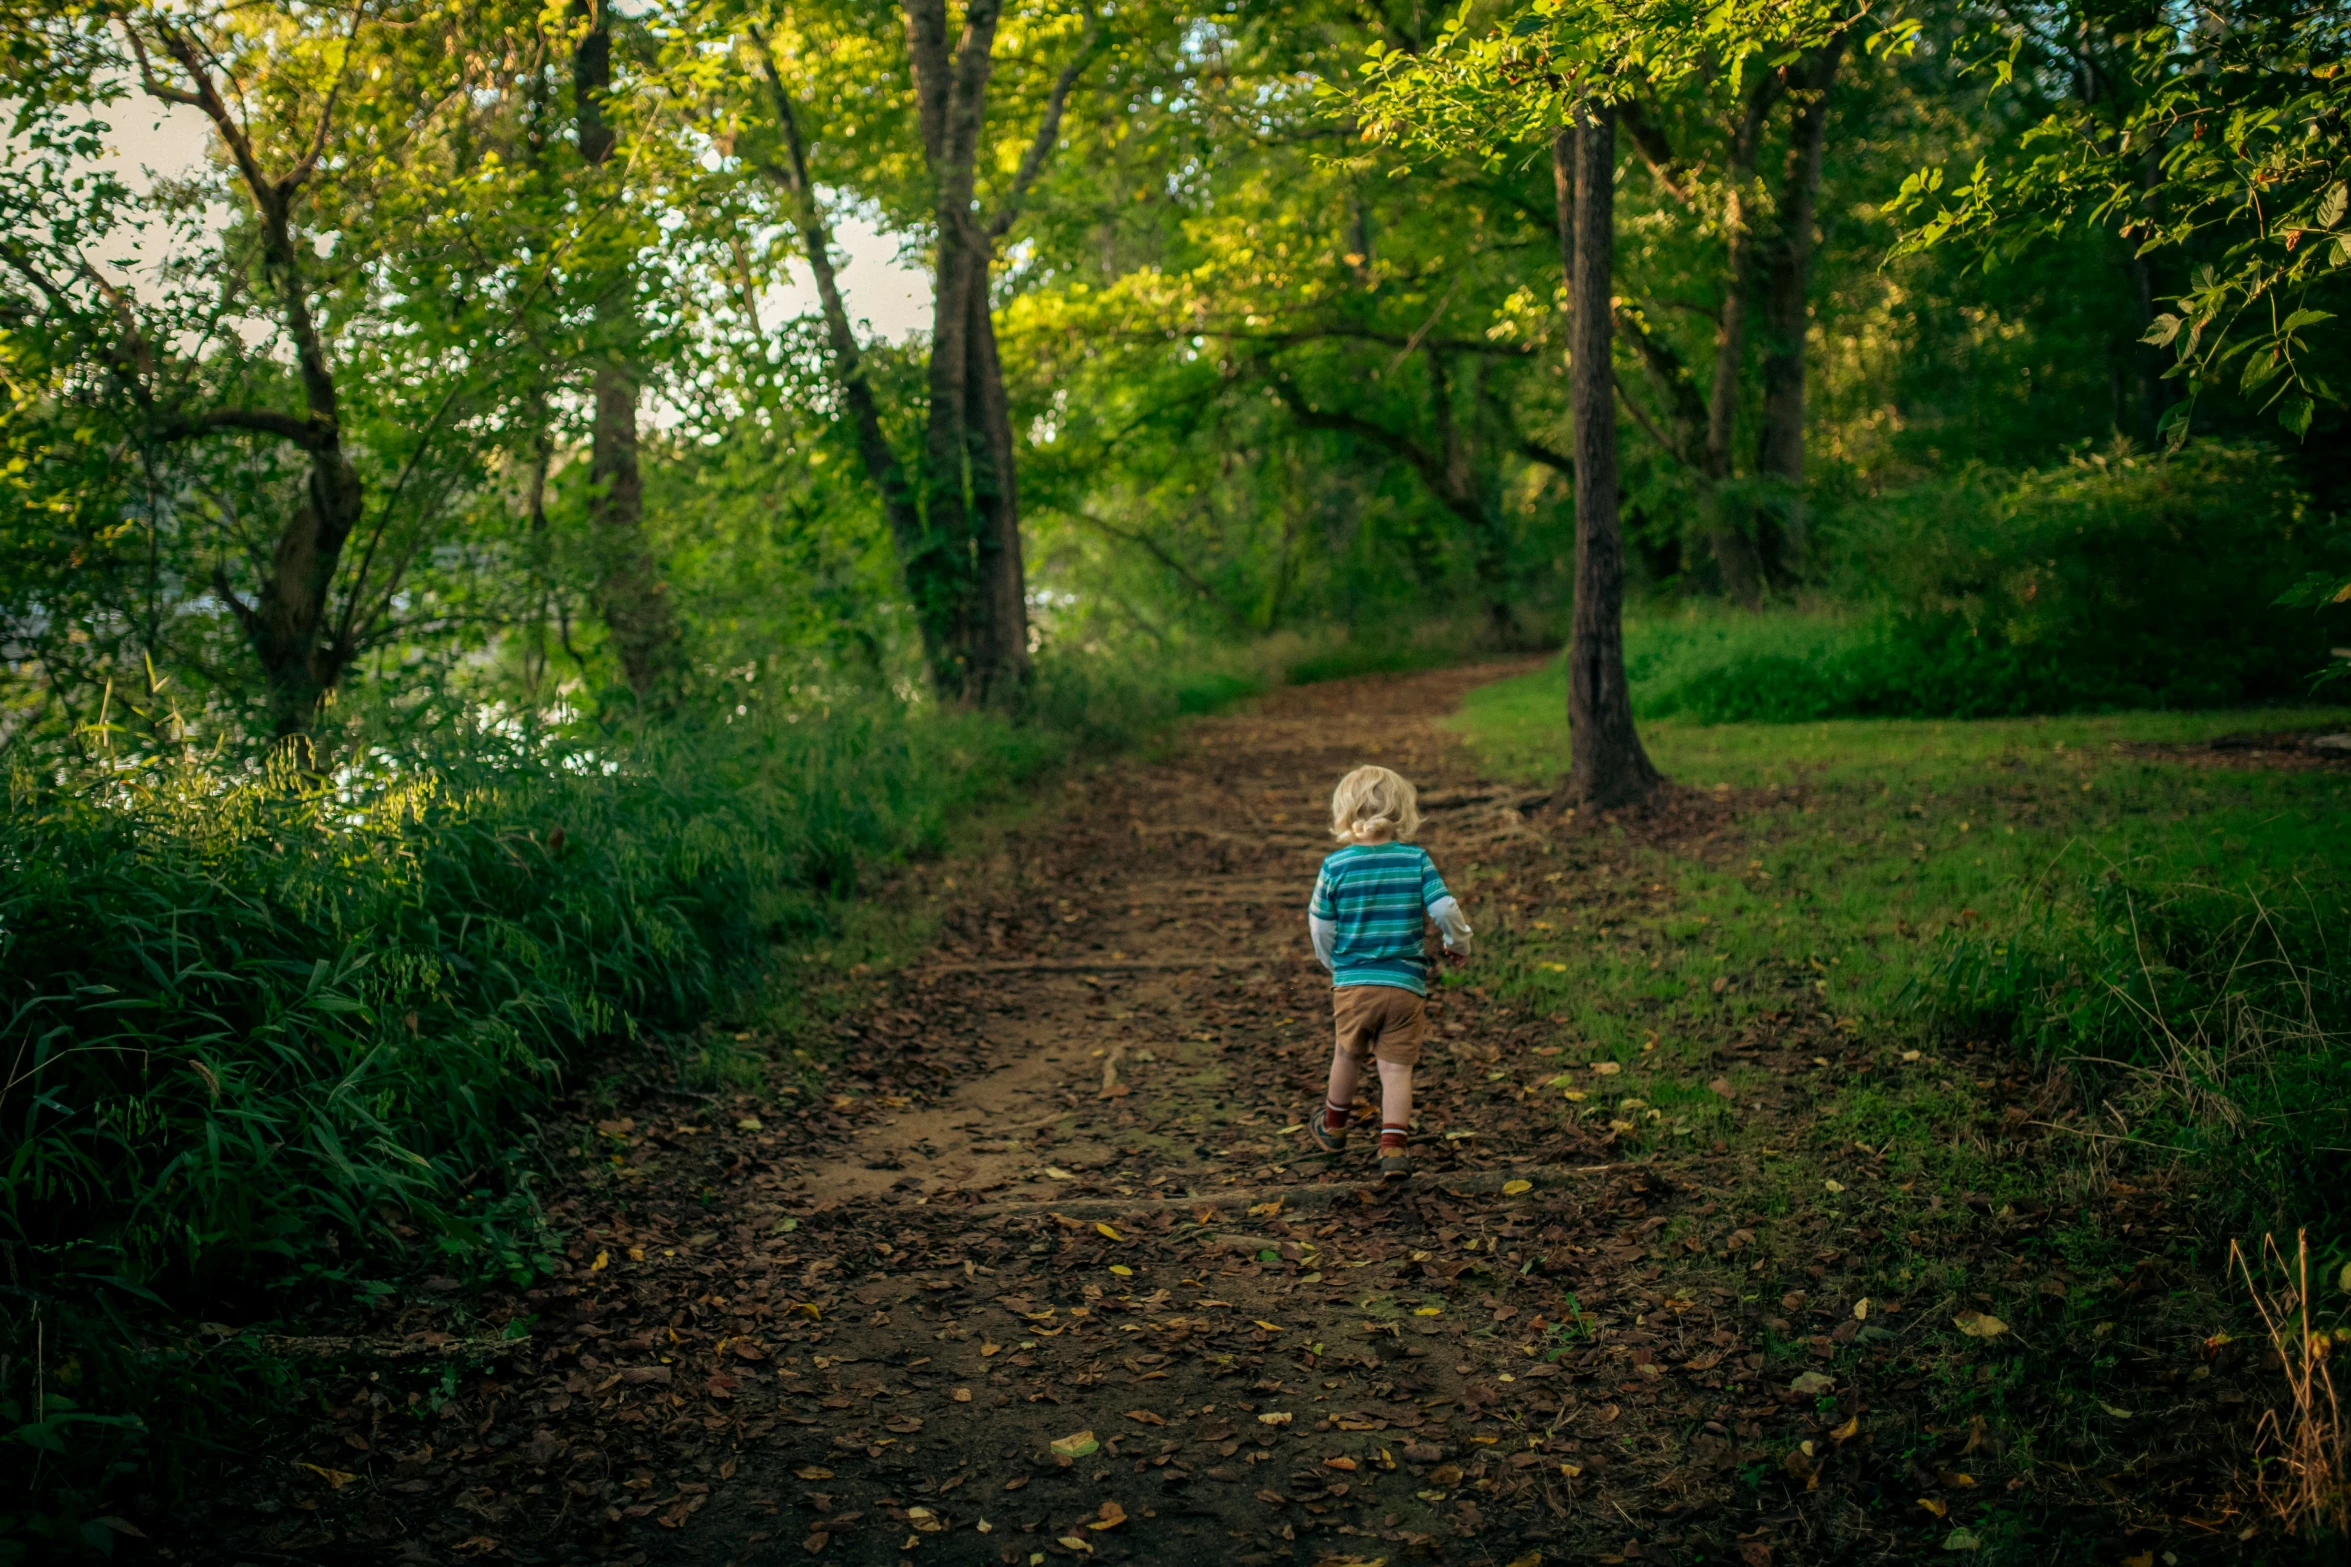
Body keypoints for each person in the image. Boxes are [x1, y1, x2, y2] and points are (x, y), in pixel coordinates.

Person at [1307, 764, 1472, 1180]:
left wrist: (1334, 963)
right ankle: (1393, 1148)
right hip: (1404, 984)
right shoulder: (1415, 859)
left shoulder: (1335, 866)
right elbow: (1444, 909)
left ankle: (1333, 1127)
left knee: (1347, 1053)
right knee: (1396, 1068)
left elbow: (1320, 925)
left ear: (1345, 811)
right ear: (1401, 810)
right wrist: (1458, 943)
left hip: (1355, 984)